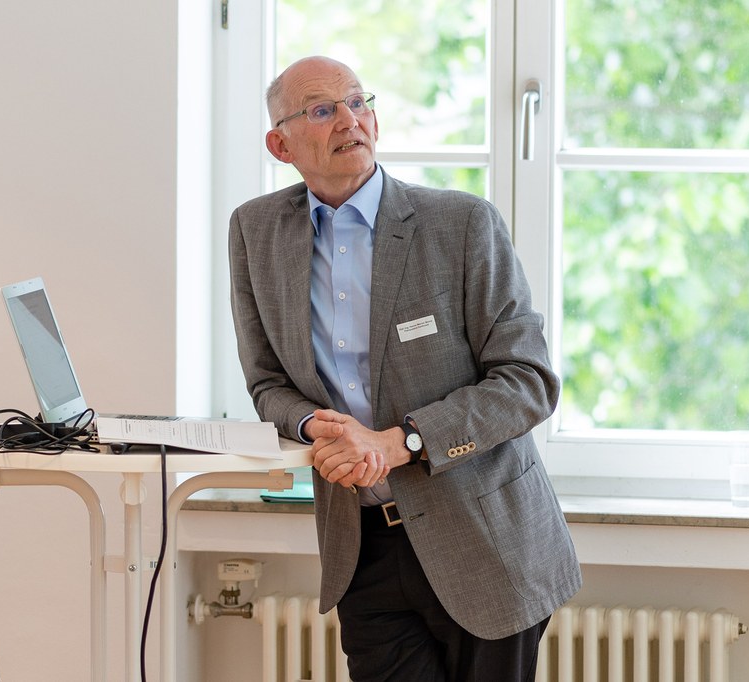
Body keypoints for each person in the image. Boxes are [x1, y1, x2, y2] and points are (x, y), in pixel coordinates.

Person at [228, 55, 581, 682]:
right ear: (279, 145)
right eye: (321, 109)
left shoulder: (461, 224)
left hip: (485, 541)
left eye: (359, 102)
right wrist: (315, 426)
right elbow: (266, 383)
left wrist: (402, 442)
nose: (348, 119)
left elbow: (528, 382)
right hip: (360, 547)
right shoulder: (255, 231)